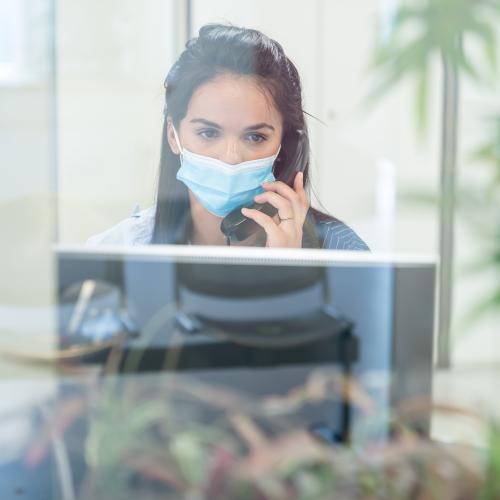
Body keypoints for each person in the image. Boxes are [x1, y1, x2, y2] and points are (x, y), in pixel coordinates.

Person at [87, 24, 369, 251]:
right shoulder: (123, 248)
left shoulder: (341, 251)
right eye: (208, 133)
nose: (231, 157)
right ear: (174, 136)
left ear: (285, 147)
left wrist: (288, 271)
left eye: (255, 137)